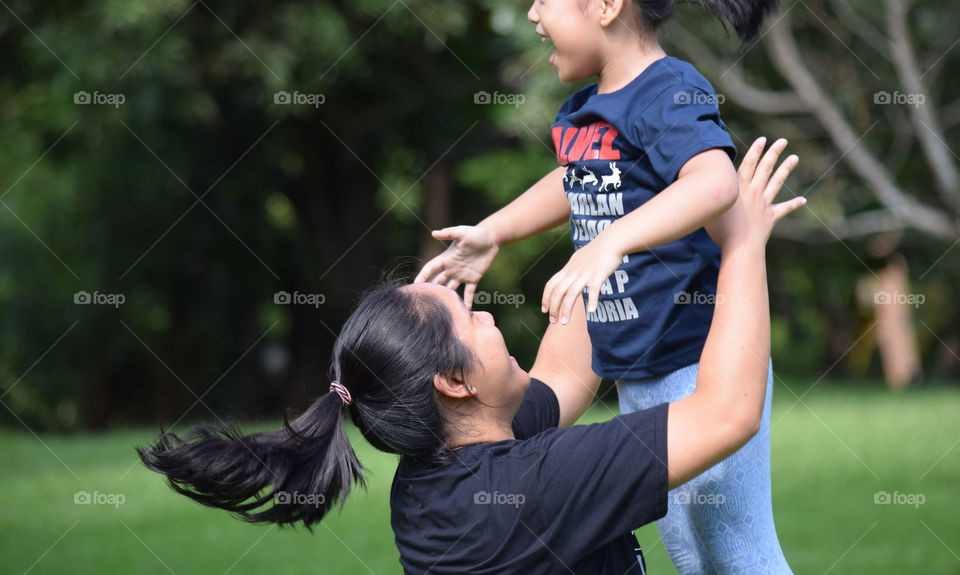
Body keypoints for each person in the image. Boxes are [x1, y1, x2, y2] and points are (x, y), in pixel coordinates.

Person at [138, 139, 800, 574]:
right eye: (469, 317)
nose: (486, 314)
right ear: (453, 381)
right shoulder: (537, 485)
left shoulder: (436, 478)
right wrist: (742, 241)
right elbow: (728, 413)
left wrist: (610, 228)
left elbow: (566, 373)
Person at [415, 1, 789, 572]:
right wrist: (496, 231)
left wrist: (611, 242)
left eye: (546, 0)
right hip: (637, 368)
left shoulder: (668, 88)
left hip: (699, 361)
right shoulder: (587, 111)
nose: (534, 15)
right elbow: (572, 181)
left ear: (608, 6)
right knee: (690, 556)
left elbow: (714, 184)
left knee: (736, 552)